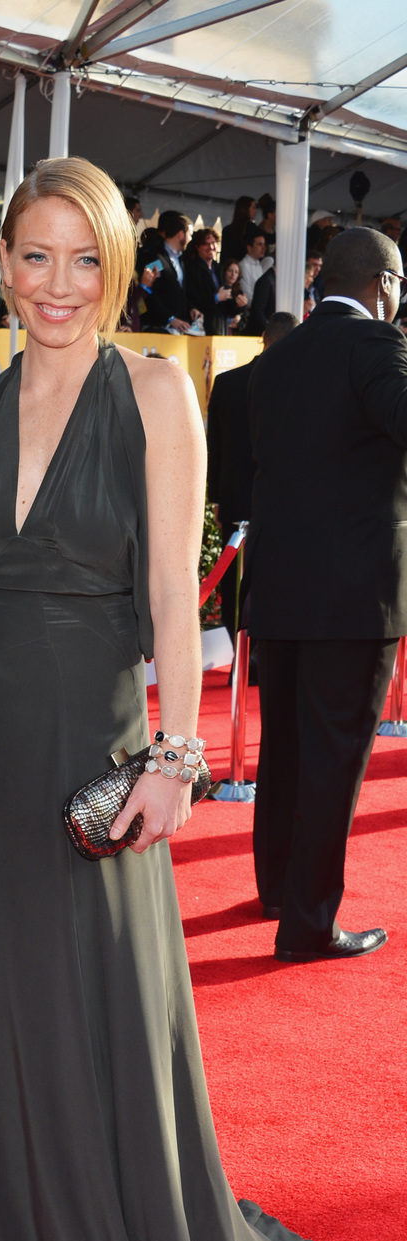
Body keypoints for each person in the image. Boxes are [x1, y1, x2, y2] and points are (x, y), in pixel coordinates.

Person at [0, 155, 342, 1241]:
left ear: (117, 265)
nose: (56, 283)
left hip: (86, 744)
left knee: (84, 999)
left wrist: (175, 758)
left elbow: (169, 595)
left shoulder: (155, 394)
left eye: (83, 257)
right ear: (4, 265)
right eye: (33, 255)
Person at [245, 227, 407, 961]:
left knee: (285, 748)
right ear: (379, 283)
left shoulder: (276, 361)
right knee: (334, 756)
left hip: (280, 587)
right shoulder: (377, 347)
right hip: (355, 597)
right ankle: (309, 922)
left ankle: (277, 886)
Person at [207, 312, 298, 641]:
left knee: (235, 584)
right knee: (277, 580)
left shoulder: (228, 382)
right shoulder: (298, 388)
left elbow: (214, 448)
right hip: (283, 505)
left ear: (264, 337)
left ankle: (241, 657)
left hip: (236, 502)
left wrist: (217, 499)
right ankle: (260, 655)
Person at [140, 209, 195, 331]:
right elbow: (150, 292)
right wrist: (170, 318)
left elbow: (179, 291)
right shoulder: (155, 256)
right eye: (190, 234)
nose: (191, 239)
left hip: (178, 326)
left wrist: (191, 308)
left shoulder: (181, 259)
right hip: (158, 327)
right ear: (181, 234)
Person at [184, 227, 232, 334]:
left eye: (213, 243)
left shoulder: (219, 268)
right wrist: (215, 298)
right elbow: (193, 298)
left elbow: (226, 297)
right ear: (198, 247)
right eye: (206, 244)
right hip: (201, 326)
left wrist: (238, 306)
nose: (211, 247)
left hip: (220, 324)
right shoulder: (192, 269)